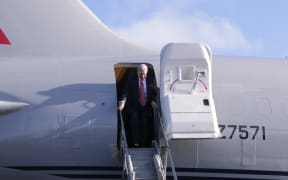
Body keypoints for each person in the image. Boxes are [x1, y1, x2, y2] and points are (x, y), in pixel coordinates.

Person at [118, 64, 158, 148]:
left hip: (146, 106)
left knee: (145, 125)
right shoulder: (132, 80)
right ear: (137, 72)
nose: (143, 76)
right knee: (134, 122)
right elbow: (126, 92)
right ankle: (135, 142)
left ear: (147, 73)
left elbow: (153, 93)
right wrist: (123, 101)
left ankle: (143, 144)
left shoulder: (151, 80)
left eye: (144, 74)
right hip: (134, 106)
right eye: (141, 74)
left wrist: (153, 101)